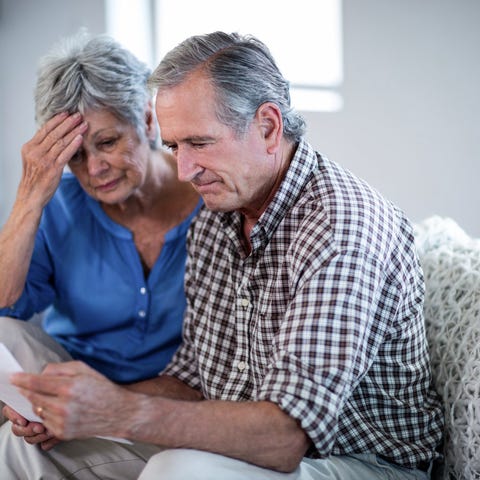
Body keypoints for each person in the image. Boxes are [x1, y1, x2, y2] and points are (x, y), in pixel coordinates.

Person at [1, 31, 443, 479]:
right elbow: (191, 380)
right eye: (176, 147)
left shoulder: (341, 227)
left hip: (350, 462)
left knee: (178, 470)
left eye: (199, 143)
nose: (185, 170)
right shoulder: (220, 210)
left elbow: (287, 437)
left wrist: (118, 411)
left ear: (268, 127)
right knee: (27, 451)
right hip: (234, 442)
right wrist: (85, 412)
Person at [0, 31, 200, 450]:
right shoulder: (59, 205)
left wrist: (106, 407)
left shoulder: (212, 198)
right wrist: (30, 195)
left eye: (107, 142)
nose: (94, 169)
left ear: (147, 120)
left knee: (17, 454)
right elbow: (4, 303)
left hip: (172, 402)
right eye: (74, 155)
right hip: (68, 381)